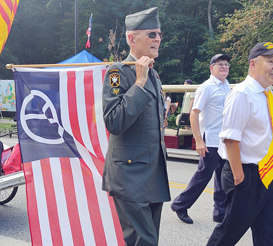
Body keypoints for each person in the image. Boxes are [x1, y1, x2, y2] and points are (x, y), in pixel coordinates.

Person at [206, 42, 273, 246]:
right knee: (228, 233)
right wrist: (240, 179)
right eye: (270, 61)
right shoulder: (242, 93)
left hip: (267, 173)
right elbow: (230, 138)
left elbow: (268, 135)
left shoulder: (269, 95)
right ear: (253, 64)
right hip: (245, 174)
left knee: (268, 232)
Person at [102, 7, 170, 246]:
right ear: (132, 38)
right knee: (145, 242)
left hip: (152, 175)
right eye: (151, 34)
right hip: (129, 176)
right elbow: (114, 122)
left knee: (146, 241)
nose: (158, 39)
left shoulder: (154, 74)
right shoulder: (118, 72)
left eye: (159, 34)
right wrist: (138, 84)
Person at [171, 54, 231, 224]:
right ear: (211, 68)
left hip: (223, 140)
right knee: (203, 175)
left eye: (226, 64)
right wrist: (199, 140)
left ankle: (220, 212)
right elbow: (194, 114)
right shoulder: (206, 87)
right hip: (210, 139)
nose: (224, 67)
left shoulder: (227, 86)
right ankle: (180, 205)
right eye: (220, 64)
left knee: (222, 177)